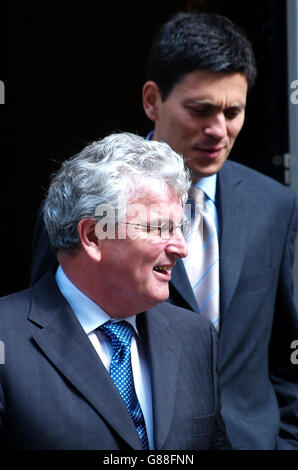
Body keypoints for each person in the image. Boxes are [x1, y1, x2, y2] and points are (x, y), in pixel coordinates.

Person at [29, 12, 298, 449]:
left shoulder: (274, 205)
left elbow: (285, 355)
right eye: (201, 110)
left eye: (234, 112)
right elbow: (43, 335)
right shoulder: (88, 201)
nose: (219, 130)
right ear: (153, 100)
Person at [0, 132, 231, 450]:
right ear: (94, 236)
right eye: (158, 228)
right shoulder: (6, 338)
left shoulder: (195, 337)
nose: (181, 248)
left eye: (180, 228)